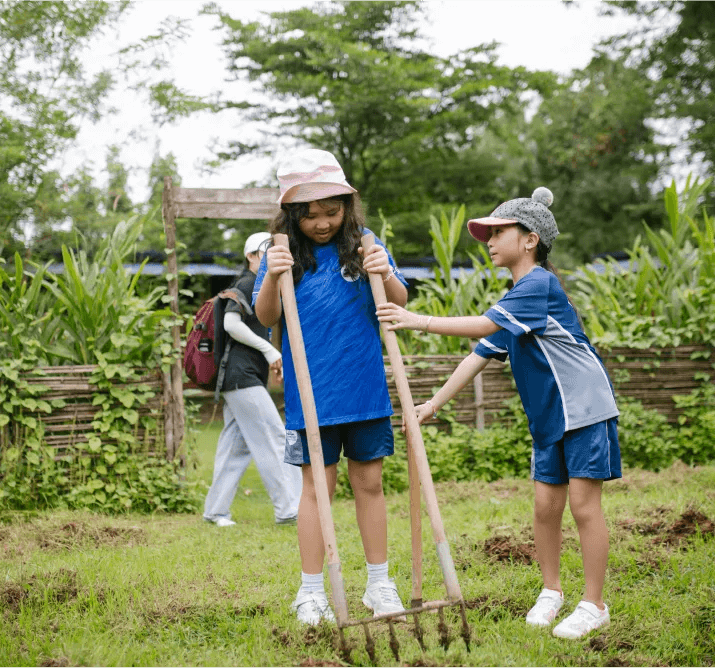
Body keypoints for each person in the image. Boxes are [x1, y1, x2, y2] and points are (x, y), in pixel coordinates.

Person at [376, 187, 622, 640]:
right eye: (486, 234)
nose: (488, 240)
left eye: (498, 231)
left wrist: (418, 320)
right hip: (550, 415)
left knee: (585, 508)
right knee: (546, 507)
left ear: (530, 239)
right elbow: (479, 354)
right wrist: (431, 404)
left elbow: (486, 325)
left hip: (584, 408)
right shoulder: (517, 297)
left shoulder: (538, 286)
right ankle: (552, 592)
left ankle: (594, 604)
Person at [253, 148, 410, 626]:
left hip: (364, 388)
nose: (322, 223)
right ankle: (311, 591)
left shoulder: (364, 242)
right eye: (309, 215)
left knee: (370, 483)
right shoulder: (280, 253)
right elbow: (266, 317)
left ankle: (379, 584)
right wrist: (274, 273)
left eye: (331, 211)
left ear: (347, 206)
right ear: (291, 214)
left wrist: (382, 270)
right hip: (310, 393)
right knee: (316, 490)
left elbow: (398, 302)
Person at [203, 231, 303, 527]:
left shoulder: (260, 287)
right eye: (265, 254)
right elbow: (230, 323)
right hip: (241, 376)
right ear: (251, 256)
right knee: (275, 435)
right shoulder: (247, 284)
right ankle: (289, 508)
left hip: (239, 377)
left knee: (236, 447)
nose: (270, 259)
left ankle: (215, 511)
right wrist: (271, 351)